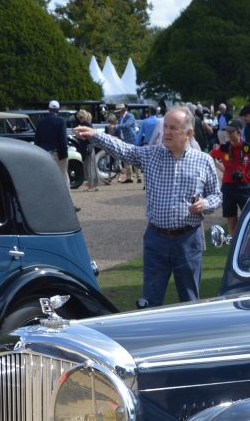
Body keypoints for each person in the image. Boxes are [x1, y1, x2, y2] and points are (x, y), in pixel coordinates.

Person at [74, 106, 221, 307]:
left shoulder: (204, 161)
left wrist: (205, 203)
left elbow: (216, 195)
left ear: (188, 133)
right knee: (150, 300)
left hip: (188, 239)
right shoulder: (151, 155)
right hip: (156, 238)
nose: (166, 132)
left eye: (173, 128)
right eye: (165, 126)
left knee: (190, 300)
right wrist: (95, 135)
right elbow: (123, 149)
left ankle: (190, 327)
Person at [210, 118, 250, 238]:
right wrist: (221, 168)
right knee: (231, 220)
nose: (228, 134)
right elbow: (210, 156)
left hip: (245, 186)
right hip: (228, 186)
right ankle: (234, 245)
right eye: (227, 131)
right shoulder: (223, 148)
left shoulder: (247, 147)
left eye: (231, 131)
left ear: (239, 132)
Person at [34, 100, 70, 184]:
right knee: (63, 176)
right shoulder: (61, 121)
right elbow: (63, 139)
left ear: (49, 109)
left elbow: (37, 139)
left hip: (44, 153)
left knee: (46, 177)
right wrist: (64, 154)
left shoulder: (40, 121)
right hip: (58, 153)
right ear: (58, 109)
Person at [73, 108, 100, 191]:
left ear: (85, 117)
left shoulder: (87, 125)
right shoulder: (85, 124)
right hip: (86, 147)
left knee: (89, 166)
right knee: (89, 166)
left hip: (88, 147)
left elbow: (87, 137)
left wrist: (79, 135)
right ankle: (92, 184)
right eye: (79, 118)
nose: (80, 119)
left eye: (81, 117)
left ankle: (92, 185)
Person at [114, 104, 139, 182]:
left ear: (123, 110)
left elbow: (127, 125)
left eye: (119, 111)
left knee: (134, 157)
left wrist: (116, 126)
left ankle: (139, 176)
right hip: (123, 139)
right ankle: (129, 177)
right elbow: (120, 129)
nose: (118, 113)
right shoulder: (121, 118)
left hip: (131, 139)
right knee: (126, 158)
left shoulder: (130, 116)